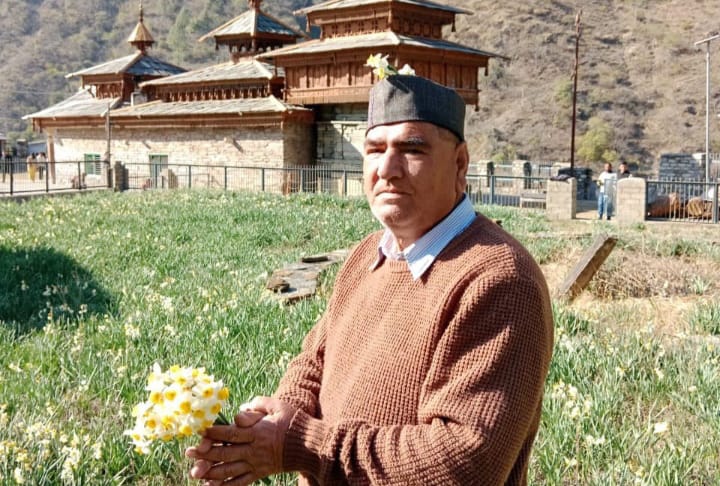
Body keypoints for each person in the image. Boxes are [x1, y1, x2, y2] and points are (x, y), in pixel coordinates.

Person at [186, 75, 554, 485]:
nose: (388, 169)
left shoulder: (498, 279)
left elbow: (463, 463)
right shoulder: (367, 255)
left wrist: (300, 443)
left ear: (460, 164)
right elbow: (315, 361)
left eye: (413, 149)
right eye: (375, 149)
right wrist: (269, 423)